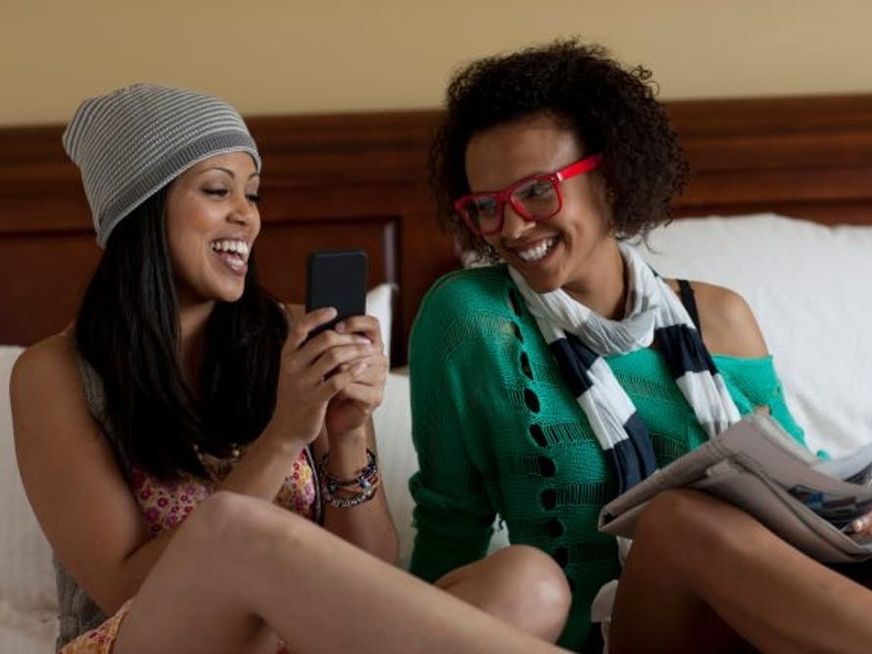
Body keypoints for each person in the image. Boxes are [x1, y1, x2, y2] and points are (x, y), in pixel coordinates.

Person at [408, 40, 872, 653]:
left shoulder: (721, 316)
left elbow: (804, 484)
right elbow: (451, 526)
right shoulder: (471, 319)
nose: (513, 228)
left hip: (772, 610)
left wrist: (861, 515)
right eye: (486, 208)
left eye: (538, 192)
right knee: (677, 520)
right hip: (622, 632)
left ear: (611, 174)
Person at [11, 83, 569, 653]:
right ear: (140, 210)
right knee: (232, 529)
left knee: (530, 583)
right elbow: (123, 587)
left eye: (252, 195)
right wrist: (283, 436)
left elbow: (368, 569)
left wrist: (347, 434)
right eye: (216, 190)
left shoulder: (294, 337)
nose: (246, 217)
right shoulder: (55, 374)